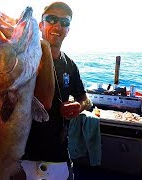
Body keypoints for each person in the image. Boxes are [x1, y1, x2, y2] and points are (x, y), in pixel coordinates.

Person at [21, 2, 91, 179]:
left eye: (65, 22)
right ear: (40, 25)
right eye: (51, 19)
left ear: (68, 29)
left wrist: (79, 106)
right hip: (23, 155)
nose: (58, 25)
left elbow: (85, 99)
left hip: (58, 153)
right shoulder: (24, 61)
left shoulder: (70, 65)